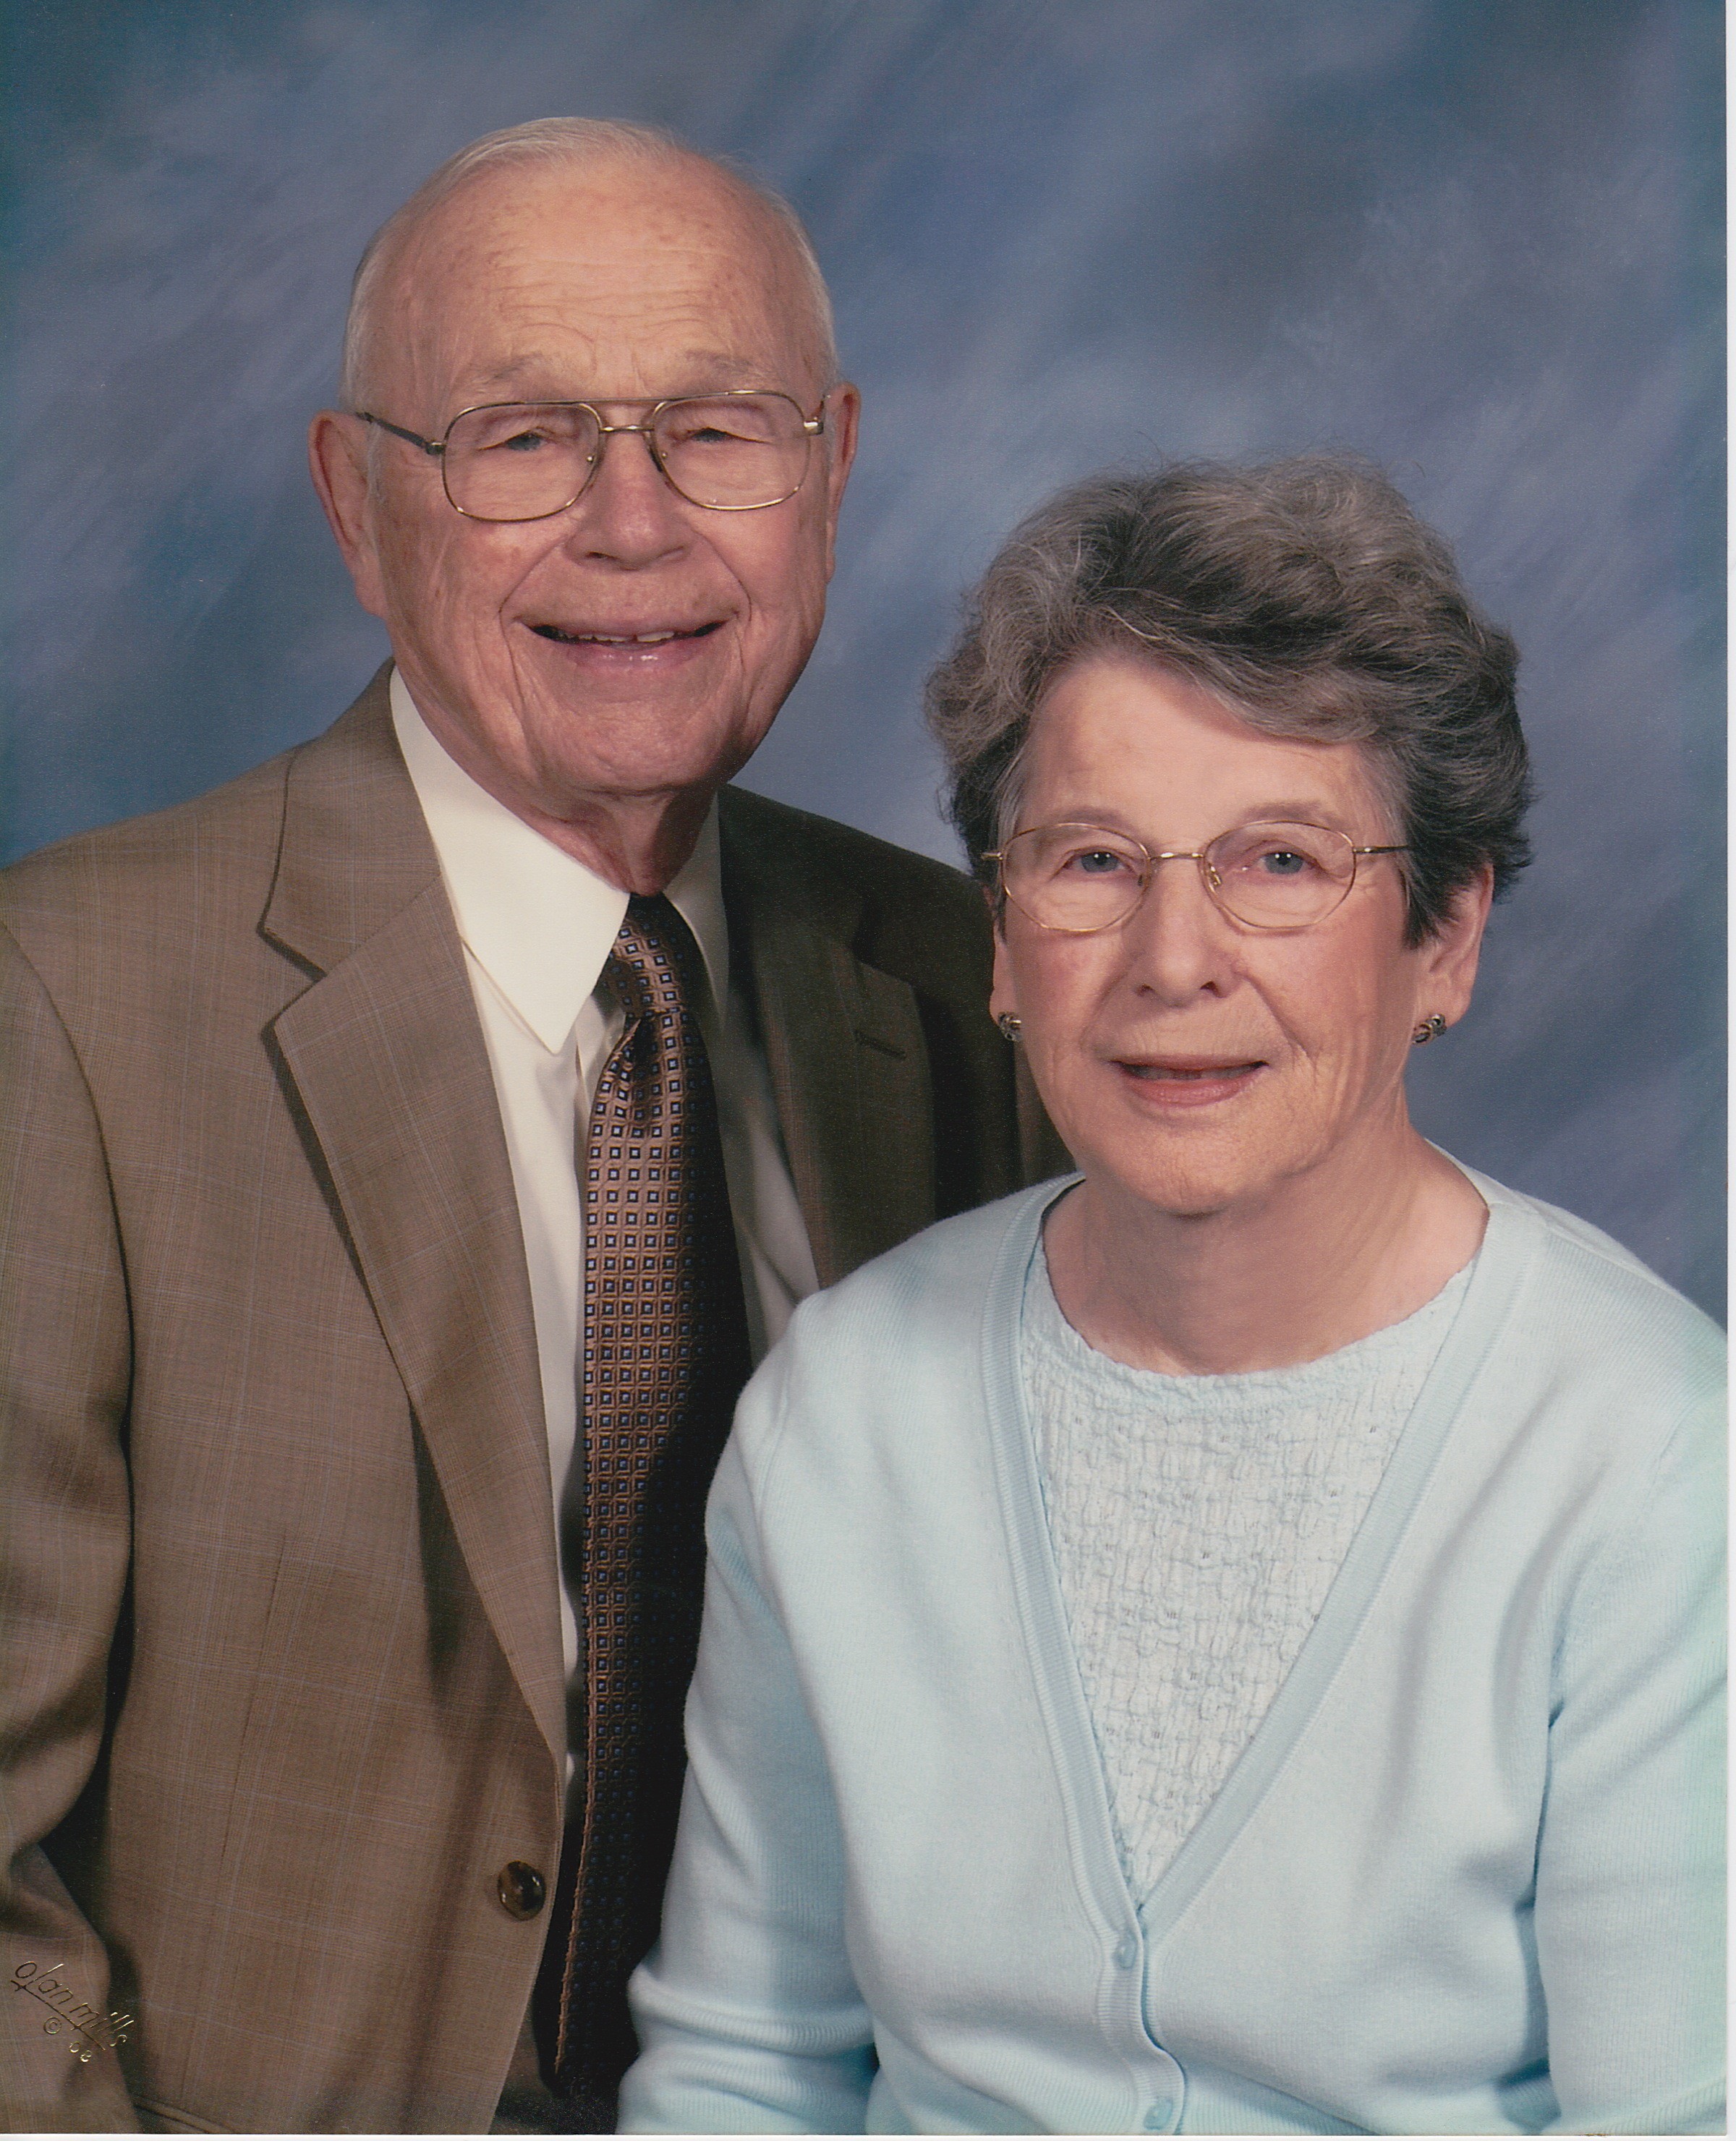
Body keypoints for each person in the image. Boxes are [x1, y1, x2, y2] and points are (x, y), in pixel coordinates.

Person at [0, 119, 1058, 2134]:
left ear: (829, 470)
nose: (633, 528)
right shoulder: (61, 1011)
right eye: (522, 440)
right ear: (353, 502)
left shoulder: (971, 990)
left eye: (716, 433)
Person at [619, 458, 1726, 2136]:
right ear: (1000, 936)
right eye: (1092, 863)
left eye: (1282, 861)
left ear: (1445, 939)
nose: (1173, 958)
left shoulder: (1652, 1464)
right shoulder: (842, 1414)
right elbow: (741, 2072)